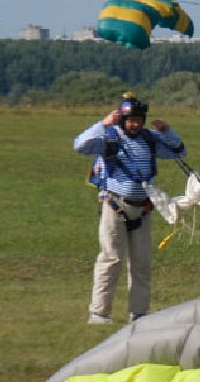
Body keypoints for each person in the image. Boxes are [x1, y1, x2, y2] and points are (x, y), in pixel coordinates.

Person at [73, 93, 187, 325]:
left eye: (138, 120)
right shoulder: (109, 138)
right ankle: (99, 313)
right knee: (111, 259)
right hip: (115, 206)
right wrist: (102, 124)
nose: (134, 124)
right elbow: (80, 145)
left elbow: (179, 151)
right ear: (122, 119)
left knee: (141, 263)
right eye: (130, 120)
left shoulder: (149, 139)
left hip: (143, 209)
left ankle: (139, 314)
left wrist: (167, 131)